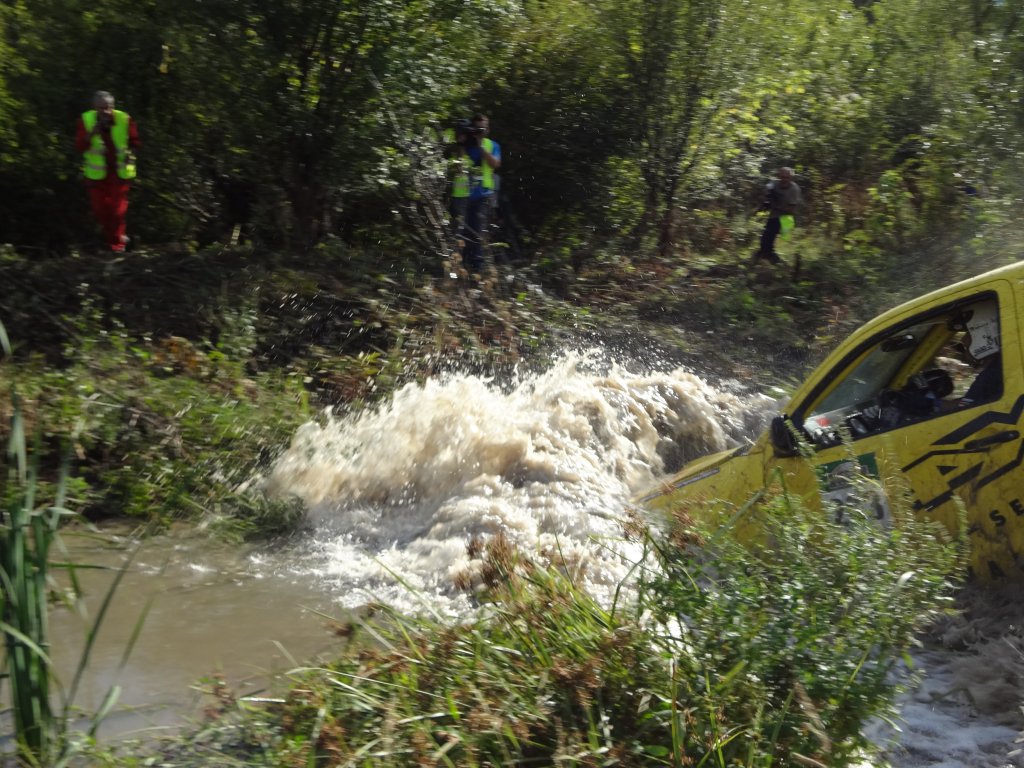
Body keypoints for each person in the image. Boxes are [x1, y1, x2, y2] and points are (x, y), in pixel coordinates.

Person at [75, 90, 140, 252]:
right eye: (101, 108)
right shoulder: (86, 120)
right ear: (94, 108)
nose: (105, 111)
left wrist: (130, 155)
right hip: (96, 175)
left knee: (117, 211)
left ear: (113, 106)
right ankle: (116, 240)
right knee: (100, 211)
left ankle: (117, 246)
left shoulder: (125, 119)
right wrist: (92, 134)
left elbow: (135, 142)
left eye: (108, 107)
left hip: (119, 174)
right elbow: (79, 146)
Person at [443, 113, 501, 273]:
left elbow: (495, 164)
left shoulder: (492, 145)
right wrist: (461, 143)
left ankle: (478, 269)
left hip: (482, 196)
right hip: (462, 196)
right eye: (477, 128)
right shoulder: (464, 146)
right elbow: (457, 167)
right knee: (459, 232)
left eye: (483, 128)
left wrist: (481, 144)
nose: (480, 131)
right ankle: (456, 268)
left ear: (488, 129)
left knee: (478, 232)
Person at [752, 167, 801, 265]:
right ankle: (765, 257)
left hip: (787, 217)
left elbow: (790, 209)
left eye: (787, 177)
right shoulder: (774, 183)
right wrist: (766, 198)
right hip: (774, 215)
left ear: (791, 178)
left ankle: (775, 260)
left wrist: (774, 206)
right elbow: (768, 187)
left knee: (778, 237)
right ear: (779, 177)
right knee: (766, 237)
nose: (784, 179)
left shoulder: (794, 189)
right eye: (782, 177)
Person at [957, 303, 1003, 407]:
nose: (963, 339)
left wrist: (935, 405)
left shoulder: (991, 375)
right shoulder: (1000, 366)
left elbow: (964, 410)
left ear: (986, 332)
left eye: (969, 332)